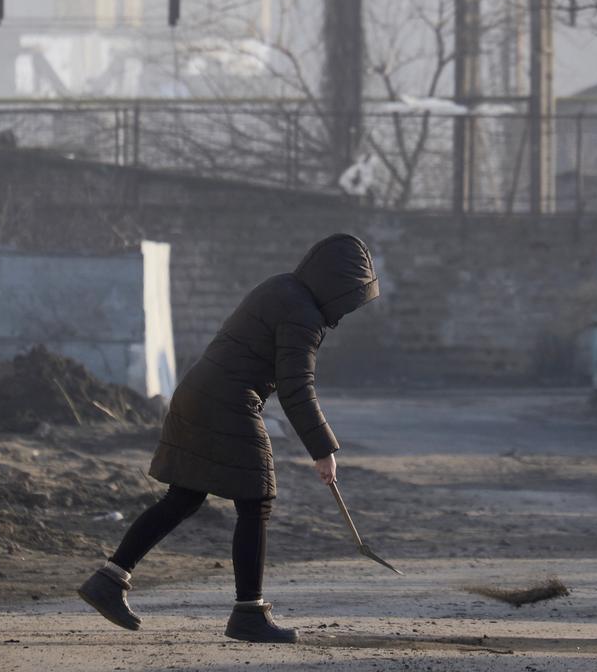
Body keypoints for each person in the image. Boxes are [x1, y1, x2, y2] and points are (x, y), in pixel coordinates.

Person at [77, 233, 381, 644]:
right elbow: (296, 386)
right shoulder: (302, 314)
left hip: (196, 394)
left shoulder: (281, 287)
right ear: (335, 285)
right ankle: (249, 614)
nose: (344, 312)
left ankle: (108, 580)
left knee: (183, 498)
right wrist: (323, 449)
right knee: (256, 502)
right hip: (229, 402)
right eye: (349, 299)